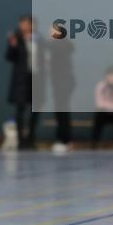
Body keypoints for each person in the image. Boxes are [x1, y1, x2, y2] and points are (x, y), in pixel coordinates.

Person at [6, 15, 42, 150]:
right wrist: (13, 46)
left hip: (36, 78)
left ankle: (31, 139)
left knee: (35, 110)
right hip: (21, 79)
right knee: (20, 110)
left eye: (26, 24)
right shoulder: (16, 38)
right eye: (21, 24)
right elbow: (9, 57)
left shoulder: (39, 39)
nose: (23, 26)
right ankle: (20, 141)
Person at [48, 21, 75, 153]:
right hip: (60, 83)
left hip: (63, 84)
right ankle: (64, 140)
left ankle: (65, 140)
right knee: (61, 112)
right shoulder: (59, 46)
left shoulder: (60, 45)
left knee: (62, 112)